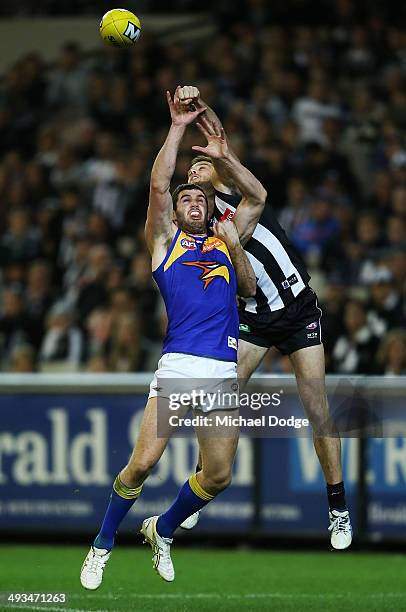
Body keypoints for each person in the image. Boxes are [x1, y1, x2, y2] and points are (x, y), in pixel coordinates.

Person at [80, 88, 265, 589]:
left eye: (199, 198)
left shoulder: (228, 241)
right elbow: (158, 185)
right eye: (185, 199)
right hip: (180, 368)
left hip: (222, 375)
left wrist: (225, 159)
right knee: (141, 465)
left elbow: (257, 198)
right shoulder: (165, 243)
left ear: (209, 207)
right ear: (176, 211)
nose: (191, 202)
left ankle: (161, 530)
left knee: (219, 476)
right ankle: (101, 546)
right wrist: (179, 127)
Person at [178, 85, 352, 549]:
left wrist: (198, 106)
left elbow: (215, 132)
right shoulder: (201, 225)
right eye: (191, 169)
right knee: (216, 397)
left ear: (214, 168)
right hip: (254, 317)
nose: (195, 169)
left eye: (200, 164)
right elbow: (242, 282)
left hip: (297, 310)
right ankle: (200, 484)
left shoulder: (233, 187)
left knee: (317, 408)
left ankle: (337, 507)